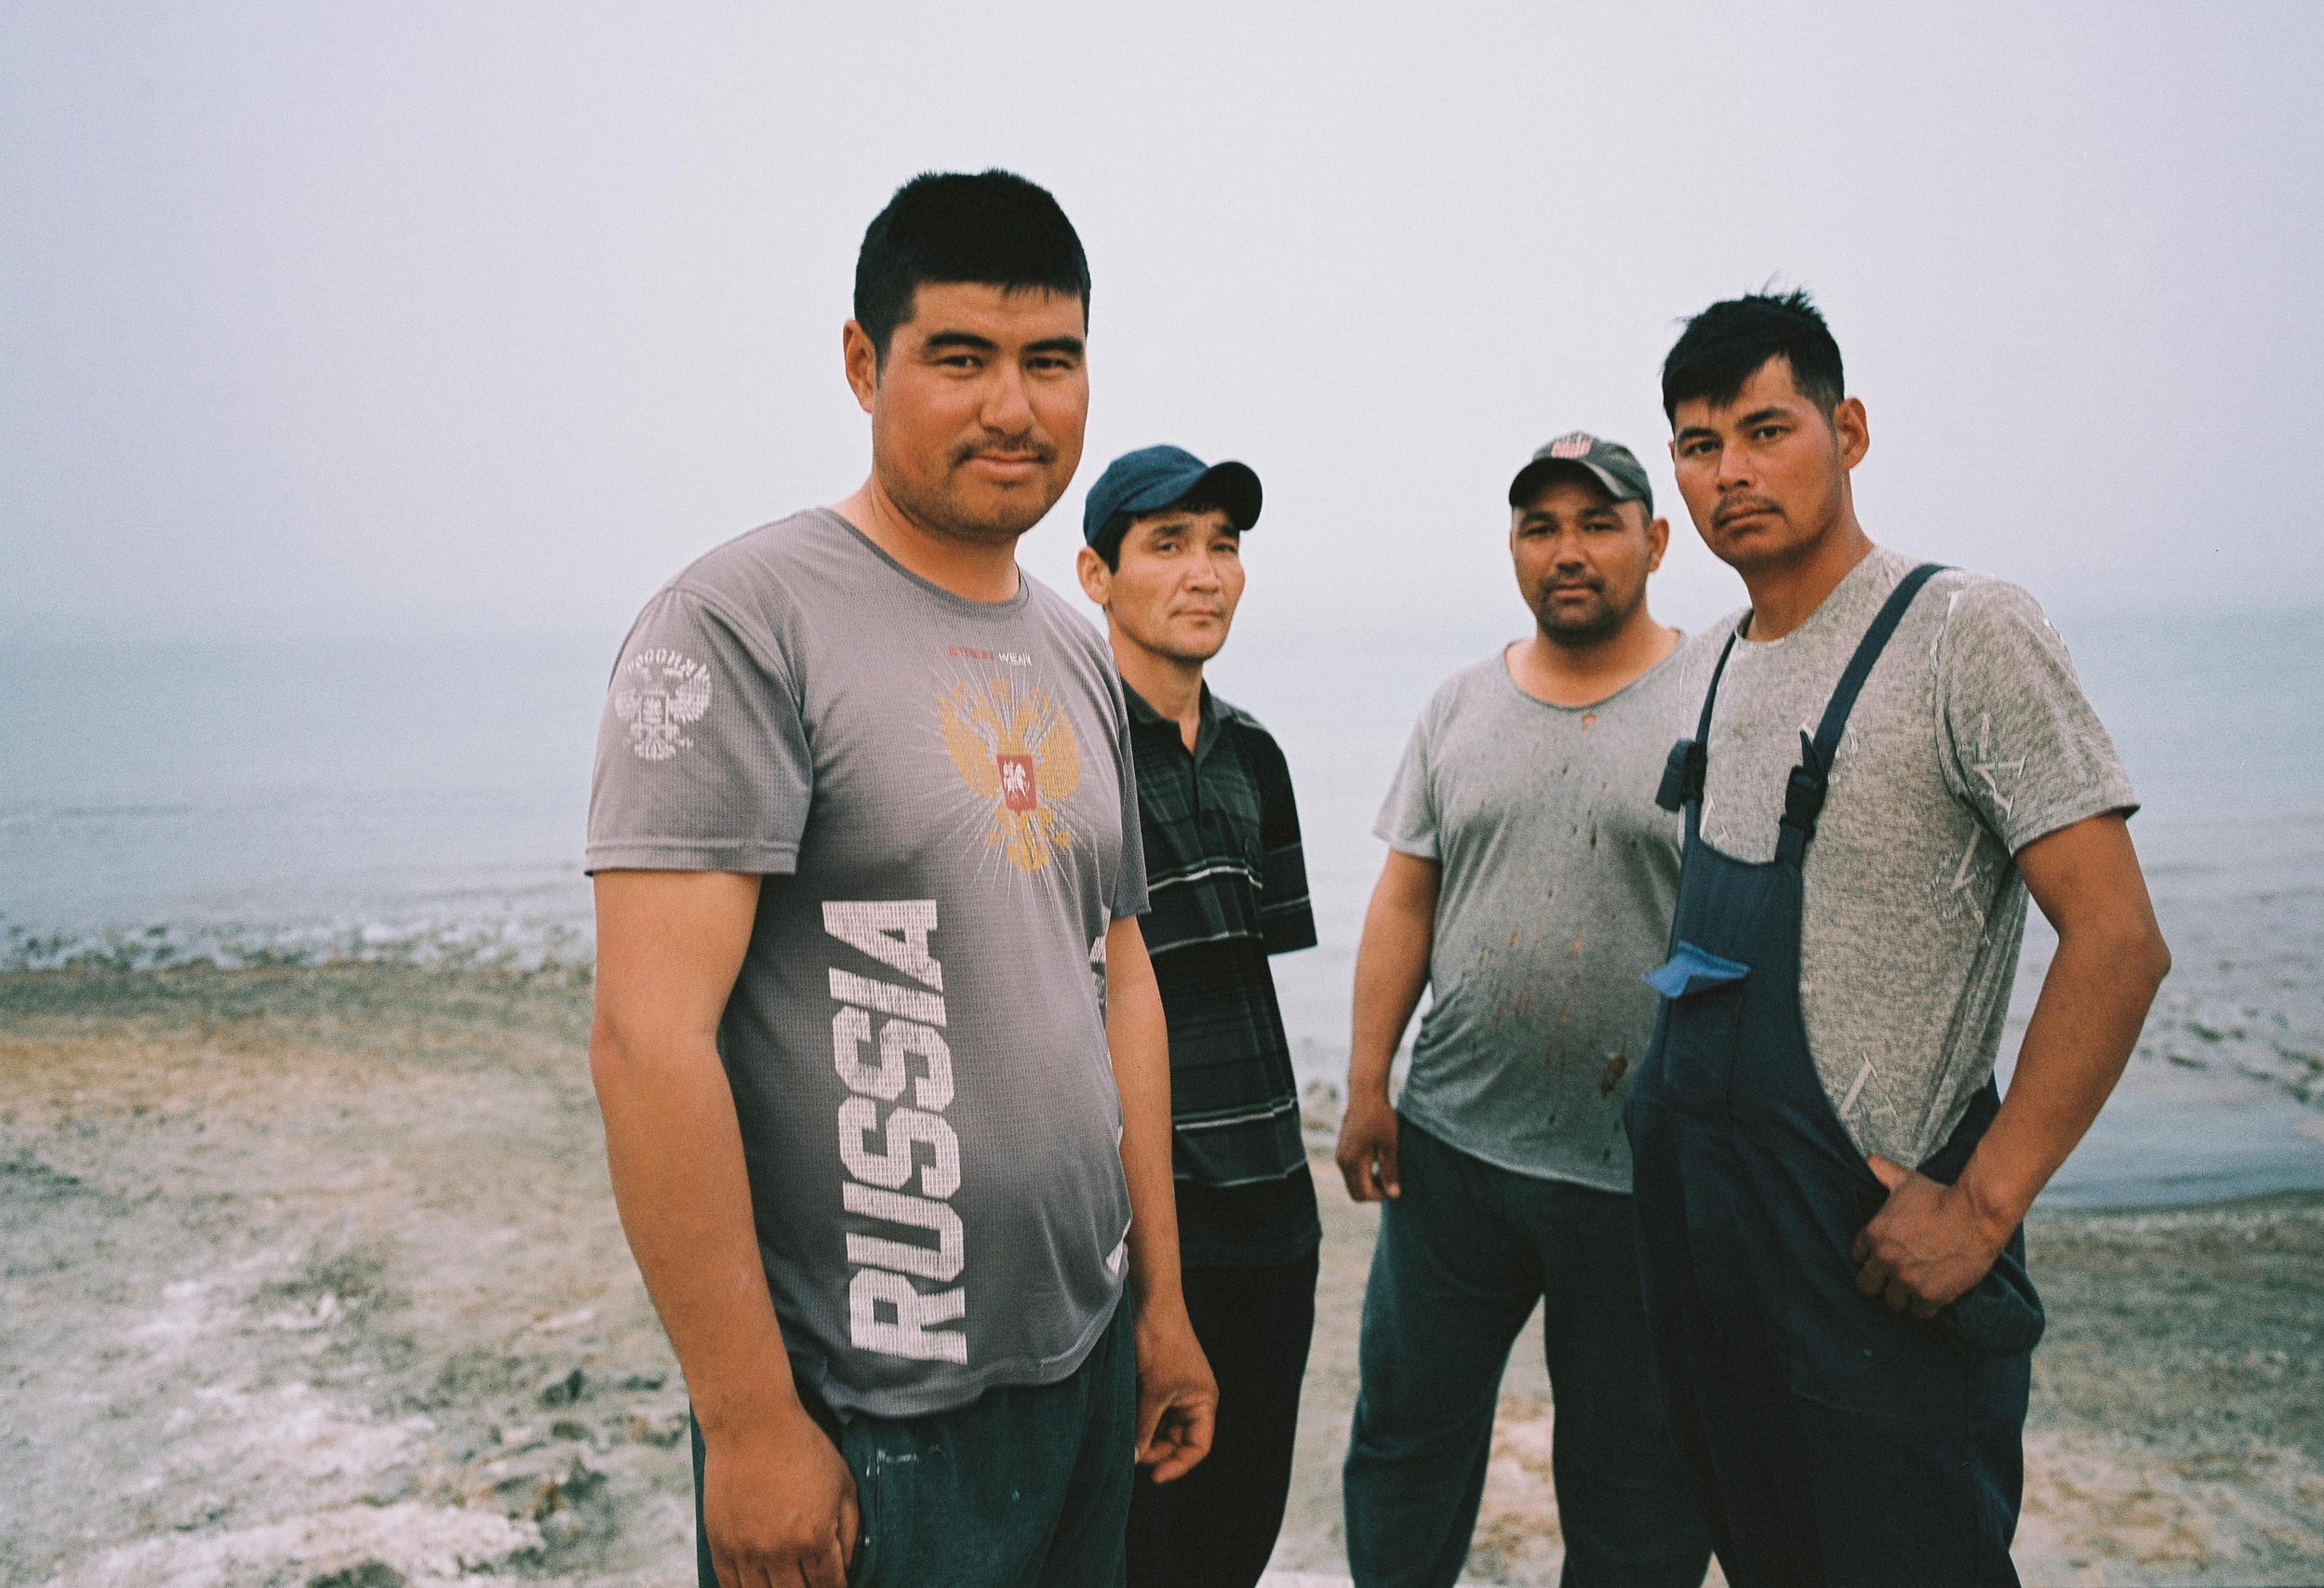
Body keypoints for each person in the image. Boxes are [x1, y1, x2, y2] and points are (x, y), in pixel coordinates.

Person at [584, 169, 1216, 1588]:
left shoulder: (1070, 649)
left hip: (1082, 1360)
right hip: (871, 1411)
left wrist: (1160, 1302)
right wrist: (748, 1421)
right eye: (962, 358)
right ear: (864, 362)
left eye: (1050, 361)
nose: (1015, 406)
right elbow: (645, 1039)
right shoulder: (742, 623)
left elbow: (1118, 975)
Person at [1627, 288, 2170, 1587]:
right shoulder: (1710, 663)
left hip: (1874, 1260)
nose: (1734, 472)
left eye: (1768, 429)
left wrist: (1984, 1205)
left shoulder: (1961, 632)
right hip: (1710, 1249)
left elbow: (2118, 938)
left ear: (1849, 427)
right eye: (1701, 446)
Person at [1334, 433, 1716, 1588]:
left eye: (1597, 524)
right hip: (1454, 1152)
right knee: (1405, 1439)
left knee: (1633, 1478)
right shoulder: (1459, 703)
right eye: (1539, 527)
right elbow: (1406, 897)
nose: (1567, 552)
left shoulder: (1719, 696)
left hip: (1639, 1174)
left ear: (1653, 541)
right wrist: (1365, 1084)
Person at [1074, 445, 1321, 1588]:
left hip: (1274, 1200)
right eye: (1168, 544)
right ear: (1096, 574)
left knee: (1238, 1527)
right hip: (1135, 1215)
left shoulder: (1255, 755)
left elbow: (1257, 968)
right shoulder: (1068, 757)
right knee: (1135, 1533)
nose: (1205, 572)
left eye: (1223, 544)